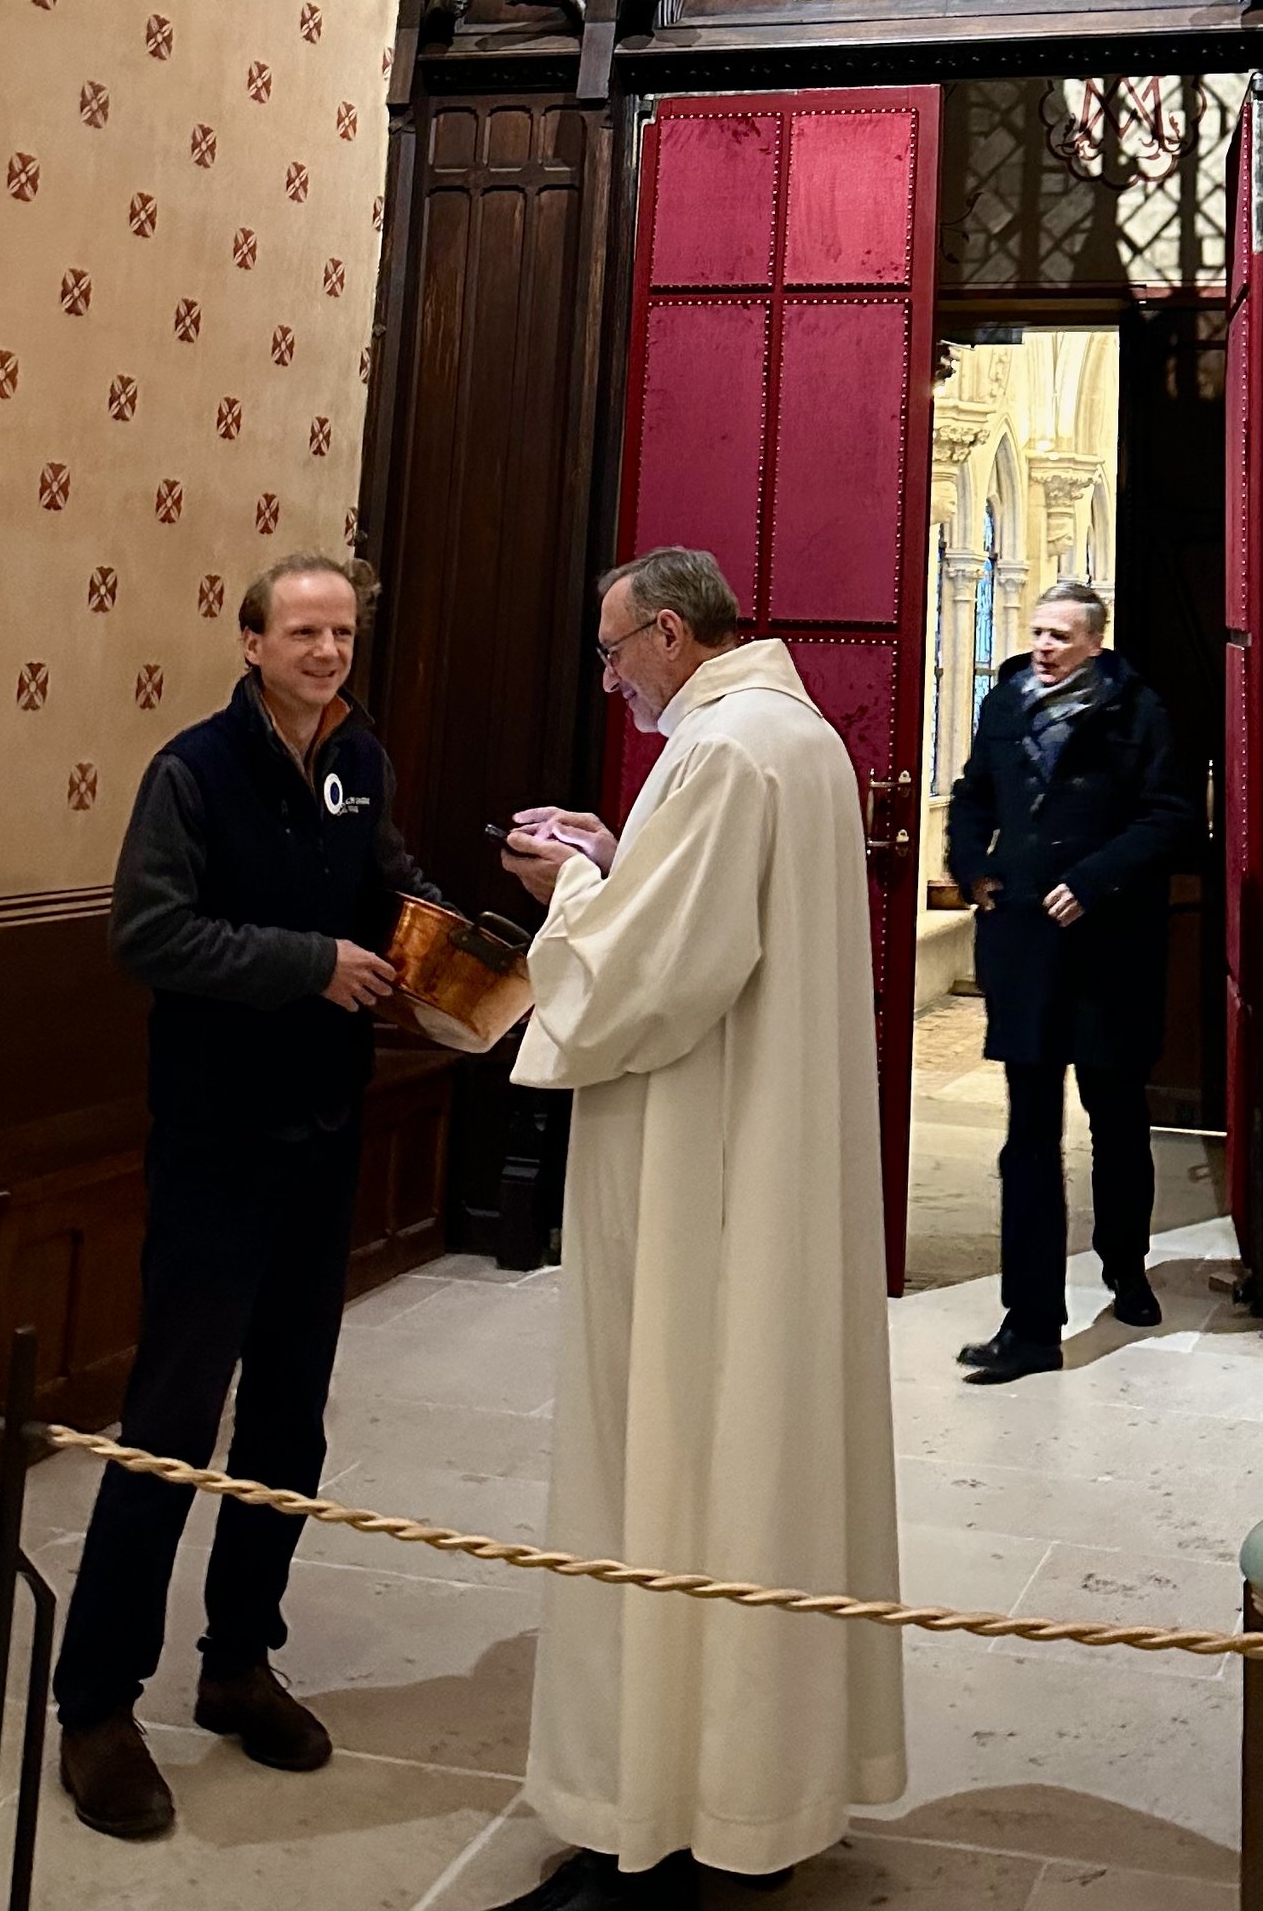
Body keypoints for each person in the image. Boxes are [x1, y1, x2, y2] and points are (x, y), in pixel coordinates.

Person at [494, 545, 904, 1908]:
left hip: (701, 1178)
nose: (612, 679)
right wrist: (624, 857)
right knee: (753, 1477)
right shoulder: (794, 735)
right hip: (759, 1163)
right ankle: (753, 1800)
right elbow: (713, 912)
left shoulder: (723, 751)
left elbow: (650, 982)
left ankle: (656, 1821)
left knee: (671, 1456)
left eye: (615, 652)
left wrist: (568, 893)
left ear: (670, 633)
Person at [52, 551, 442, 1839]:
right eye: (304, 632)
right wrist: (305, 964)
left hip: (321, 1132)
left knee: (288, 1421)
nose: (327, 651)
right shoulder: (193, 771)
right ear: (252, 641)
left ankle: (237, 1663)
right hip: (216, 1138)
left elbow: (387, 880)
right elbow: (146, 933)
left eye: (343, 633)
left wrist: (457, 928)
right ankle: (97, 1706)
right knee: (171, 1420)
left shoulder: (358, 758)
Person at [943, 578, 1193, 1385]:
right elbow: (973, 796)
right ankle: (1030, 1323)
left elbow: (1169, 816)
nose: (1043, 646)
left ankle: (1126, 1265)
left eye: (1060, 635)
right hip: (1026, 944)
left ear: (1094, 642)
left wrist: (1092, 880)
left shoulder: (1137, 711)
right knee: (1028, 1136)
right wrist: (973, 867)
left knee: (1116, 1119)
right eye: (1038, 631)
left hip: (1109, 948)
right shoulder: (1006, 702)